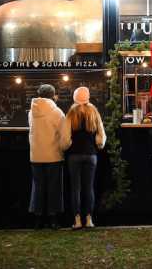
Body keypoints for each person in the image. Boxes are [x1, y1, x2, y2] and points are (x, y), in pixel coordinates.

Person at [60, 87, 106, 230]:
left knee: (75, 188)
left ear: (74, 98)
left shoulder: (71, 113)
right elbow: (101, 136)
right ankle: (89, 219)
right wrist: (98, 144)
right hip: (91, 155)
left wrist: (67, 146)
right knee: (89, 188)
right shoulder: (94, 112)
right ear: (88, 97)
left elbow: (65, 140)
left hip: (74, 155)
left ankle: (77, 220)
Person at [28, 84, 65, 229]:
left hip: (36, 155)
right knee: (53, 187)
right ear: (53, 95)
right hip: (53, 155)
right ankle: (53, 220)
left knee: (38, 187)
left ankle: (38, 220)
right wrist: (63, 148)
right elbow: (64, 135)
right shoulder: (57, 112)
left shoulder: (31, 111)